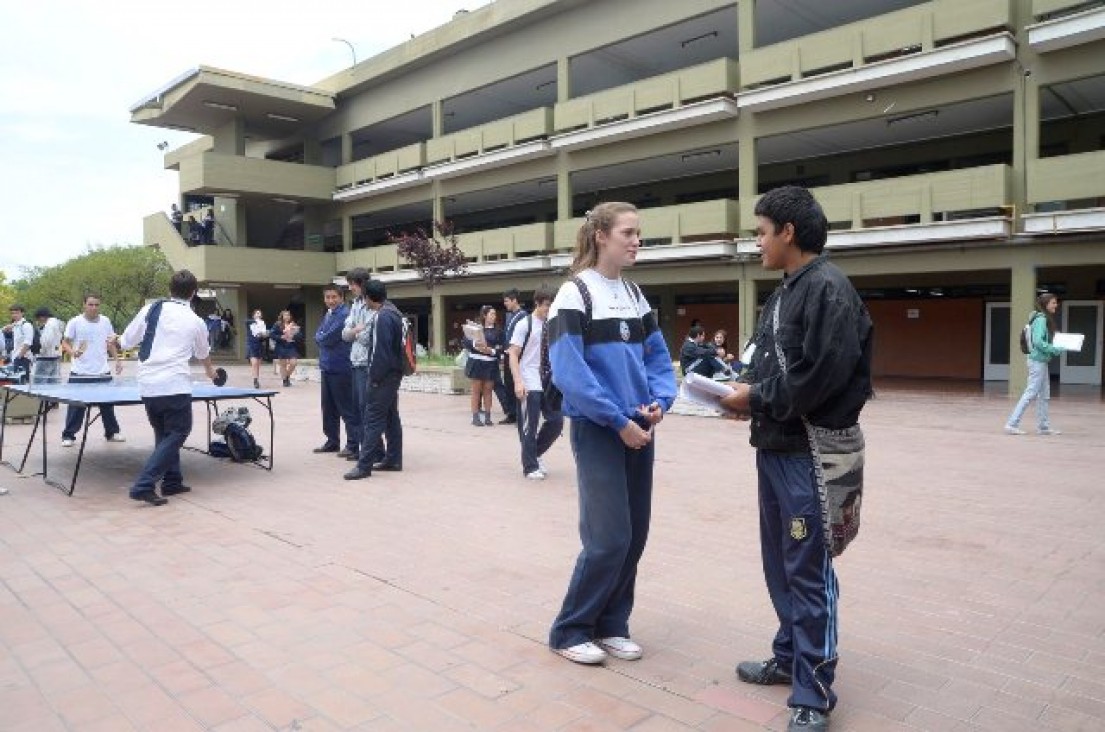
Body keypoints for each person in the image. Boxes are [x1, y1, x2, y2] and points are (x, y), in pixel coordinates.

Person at [719, 186, 874, 732]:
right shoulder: (786, 290)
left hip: (811, 452)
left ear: (788, 232)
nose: (755, 242)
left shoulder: (828, 290)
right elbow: (771, 367)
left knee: (809, 570)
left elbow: (818, 377)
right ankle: (789, 656)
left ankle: (813, 691)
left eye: (761, 231)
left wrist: (754, 399)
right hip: (777, 447)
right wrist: (741, 395)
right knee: (781, 562)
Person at [546, 202, 677, 666]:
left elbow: (657, 359)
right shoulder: (574, 294)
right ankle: (570, 629)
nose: (636, 241)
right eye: (628, 233)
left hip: (639, 429)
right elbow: (569, 372)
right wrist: (618, 421)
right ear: (601, 235)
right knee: (608, 538)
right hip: (601, 430)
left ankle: (612, 624)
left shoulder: (634, 294)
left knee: (635, 534)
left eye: (639, 233)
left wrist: (660, 401)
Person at [119, 269, 216, 506]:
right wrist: (210, 372)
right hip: (174, 384)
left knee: (164, 434)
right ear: (193, 293)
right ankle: (144, 484)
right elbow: (203, 353)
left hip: (148, 384)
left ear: (169, 290)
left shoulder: (150, 309)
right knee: (178, 432)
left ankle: (172, 481)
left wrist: (116, 339)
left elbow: (126, 341)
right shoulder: (195, 321)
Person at [344, 279, 404, 480]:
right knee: (390, 417)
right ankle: (393, 459)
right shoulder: (393, 311)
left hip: (383, 376)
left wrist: (374, 378)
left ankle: (364, 466)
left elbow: (381, 352)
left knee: (372, 420)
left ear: (369, 297)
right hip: (393, 374)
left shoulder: (383, 317)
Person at [507, 285, 563, 480]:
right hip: (528, 379)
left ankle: (535, 453)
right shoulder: (524, 324)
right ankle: (530, 466)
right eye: (547, 305)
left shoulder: (553, 325)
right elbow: (513, 354)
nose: (550, 308)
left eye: (552, 305)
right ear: (537, 304)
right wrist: (518, 382)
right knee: (529, 426)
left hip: (548, 381)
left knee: (556, 421)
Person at [61, 293, 125, 447]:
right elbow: (65, 342)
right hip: (80, 372)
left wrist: (117, 360)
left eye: (97, 305)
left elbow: (110, 343)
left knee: (108, 405)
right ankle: (68, 435)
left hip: (102, 371)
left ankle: (112, 432)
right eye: (91, 304)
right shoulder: (75, 322)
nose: (94, 307)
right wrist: (72, 353)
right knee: (76, 406)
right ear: (84, 305)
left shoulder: (105, 321)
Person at [1005, 293, 1066, 436]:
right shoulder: (1041, 319)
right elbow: (1038, 342)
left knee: (1044, 394)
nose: (1056, 305)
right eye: (1053, 303)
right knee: (1031, 392)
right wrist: (1054, 349)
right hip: (1037, 361)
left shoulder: (1040, 319)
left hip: (1041, 361)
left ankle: (1043, 427)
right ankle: (1012, 423)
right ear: (1046, 304)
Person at [314, 284, 360, 458]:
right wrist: (320, 337)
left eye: (334, 297)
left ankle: (353, 444)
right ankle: (332, 441)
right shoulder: (329, 314)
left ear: (341, 297)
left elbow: (326, 338)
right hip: (327, 367)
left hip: (341, 368)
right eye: (327, 297)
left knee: (346, 408)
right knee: (328, 408)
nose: (331, 300)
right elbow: (318, 334)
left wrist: (320, 337)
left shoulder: (344, 314)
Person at [463, 305, 505, 426]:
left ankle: (487, 417)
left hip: (490, 362)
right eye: (491, 314)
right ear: (484, 315)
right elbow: (465, 342)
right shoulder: (476, 328)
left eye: (494, 314)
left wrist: (491, 351)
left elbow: (502, 348)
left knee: (488, 390)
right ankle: (475, 417)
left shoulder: (498, 331)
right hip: (476, 361)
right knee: (476, 390)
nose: (494, 316)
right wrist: (475, 343)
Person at [497, 288, 526, 424]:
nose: (505, 304)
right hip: (508, 354)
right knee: (508, 383)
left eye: (507, 301)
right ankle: (512, 413)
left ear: (515, 300)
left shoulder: (523, 316)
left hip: (517, 355)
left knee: (517, 383)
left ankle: (520, 414)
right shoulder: (509, 315)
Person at [33, 307, 65, 384]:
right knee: (53, 383)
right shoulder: (58, 324)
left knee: (40, 383)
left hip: (45, 357)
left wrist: (40, 351)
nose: (39, 321)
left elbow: (46, 341)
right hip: (55, 356)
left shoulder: (49, 325)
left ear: (42, 317)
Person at [270, 310, 302, 387]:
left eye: (288, 315)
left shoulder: (293, 324)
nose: (287, 317)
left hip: (291, 346)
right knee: (283, 364)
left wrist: (293, 336)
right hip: (281, 346)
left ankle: (286, 376)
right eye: (285, 315)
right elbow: (272, 335)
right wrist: (281, 337)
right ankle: (285, 381)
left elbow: (300, 335)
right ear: (282, 316)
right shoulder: (277, 325)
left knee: (293, 363)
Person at [5, 305, 35, 380]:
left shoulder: (26, 325)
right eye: (12, 313)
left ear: (22, 313)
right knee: (16, 383)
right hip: (16, 357)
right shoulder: (15, 326)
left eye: (17, 313)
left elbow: (28, 342)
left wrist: (20, 356)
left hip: (23, 358)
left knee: (23, 383)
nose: (14, 315)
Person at [247, 310, 267, 389]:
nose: (259, 315)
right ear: (254, 315)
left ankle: (256, 379)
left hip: (259, 344)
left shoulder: (262, 323)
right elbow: (245, 321)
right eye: (257, 313)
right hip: (252, 344)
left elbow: (264, 334)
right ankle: (255, 380)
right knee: (254, 363)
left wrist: (264, 335)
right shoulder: (249, 323)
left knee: (258, 364)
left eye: (260, 314)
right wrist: (255, 321)